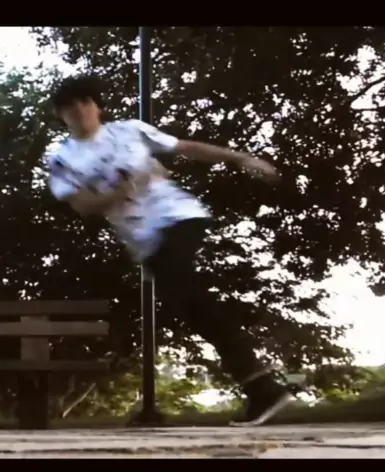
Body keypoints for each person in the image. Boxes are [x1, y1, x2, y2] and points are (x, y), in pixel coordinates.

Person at [44, 75, 291, 426]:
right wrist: (119, 192)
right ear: (60, 114)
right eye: (70, 106)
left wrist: (240, 158)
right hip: (146, 240)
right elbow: (82, 205)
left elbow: (186, 147)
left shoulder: (129, 130)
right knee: (192, 309)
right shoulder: (63, 160)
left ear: (97, 107)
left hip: (179, 217)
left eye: (85, 102)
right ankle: (260, 387)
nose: (79, 110)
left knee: (188, 291)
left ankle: (263, 386)